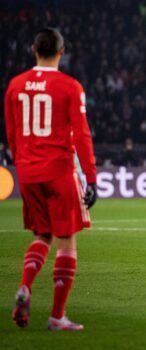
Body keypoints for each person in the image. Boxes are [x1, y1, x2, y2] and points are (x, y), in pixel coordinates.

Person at [5, 28, 97, 330]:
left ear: (33, 49)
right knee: (66, 243)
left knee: (41, 235)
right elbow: (82, 134)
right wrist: (91, 177)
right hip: (59, 169)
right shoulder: (70, 86)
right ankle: (57, 316)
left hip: (28, 171)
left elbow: (12, 132)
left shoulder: (15, 86)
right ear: (62, 50)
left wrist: (22, 162)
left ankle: (25, 286)